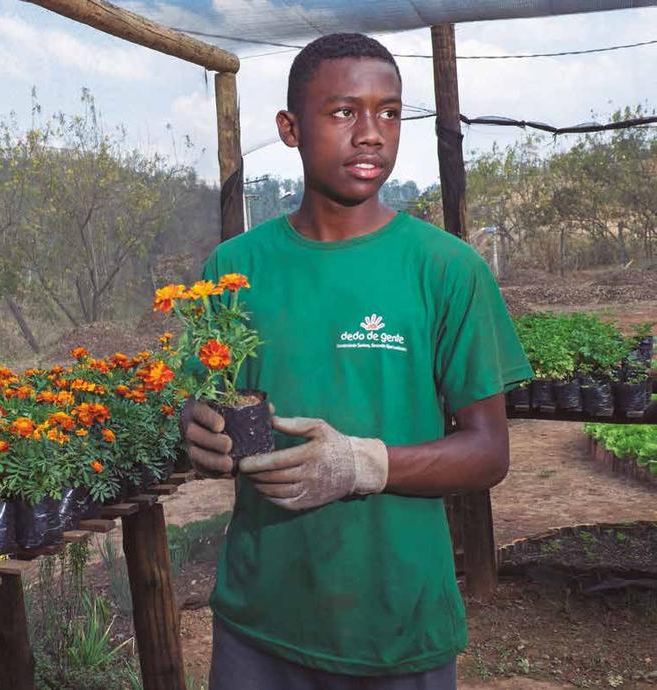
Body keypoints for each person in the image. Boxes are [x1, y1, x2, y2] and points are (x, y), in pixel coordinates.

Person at [181, 34, 533, 689]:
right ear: (290, 128)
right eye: (344, 112)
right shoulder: (232, 273)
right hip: (260, 625)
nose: (371, 134)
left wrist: (361, 463)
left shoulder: (447, 270)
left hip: (399, 629)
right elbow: (207, 400)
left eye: (390, 112)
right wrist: (194, 426)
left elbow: (489, 452)